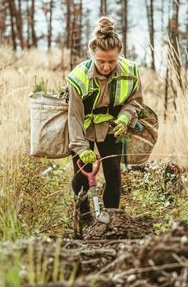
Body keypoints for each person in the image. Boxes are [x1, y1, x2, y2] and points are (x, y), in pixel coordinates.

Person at [66, 16, 143, 227]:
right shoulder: (78, 77)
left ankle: (112, 220)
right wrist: (81, 148)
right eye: (101, 61)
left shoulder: (131, 72)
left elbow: (135, 101)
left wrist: (125, 118)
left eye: (112, 61)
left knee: (113, 173)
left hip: (112, 127)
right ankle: (83, 220)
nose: (107, 66)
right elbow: (74, 117)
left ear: (119, 54)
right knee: (81, 176)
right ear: (92, 55)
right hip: (83, 128)